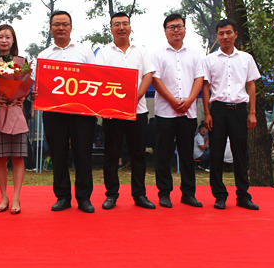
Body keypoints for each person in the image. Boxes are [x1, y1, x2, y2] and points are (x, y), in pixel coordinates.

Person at [35, 10, 97, 213]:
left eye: (65, 24)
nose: (60, 28)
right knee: (58, 154)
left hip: (82, 112)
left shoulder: (85, 52)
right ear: (50, 28)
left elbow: (95, 80)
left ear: (71, 27)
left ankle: (84, 198)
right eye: (56, 24)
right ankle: (62, 196)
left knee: (83, 154)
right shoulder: (44, 55)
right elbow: (38, 84)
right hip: (54, 113)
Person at [96, 12, 156, 210]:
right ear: (111, 29)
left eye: (125, 24)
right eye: (117, 24)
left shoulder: (141, 51)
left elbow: (148, 75)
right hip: (112, 112)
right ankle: (111, 195)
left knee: (138, 154)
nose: (121, 27)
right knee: (111, 155)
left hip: (138, 110)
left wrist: (135, 97)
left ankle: (139, 195)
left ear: (130, 27)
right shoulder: (103, 53)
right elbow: (99, 79)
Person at [201, 18, 261, 210]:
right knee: (216, 154)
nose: (225, 37)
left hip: (239, 110)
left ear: (235, 34)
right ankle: (219, 196)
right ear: (217, 36)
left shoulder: (246, 58)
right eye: (221, 33)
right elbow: (205, 87)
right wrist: (207, 113)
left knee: (241, 154)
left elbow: (251, 85)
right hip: (217, 110)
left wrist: (252, 113)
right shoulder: (209, 60)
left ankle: (243, 196)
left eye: (228, 32)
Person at [150, 13, 205, 208]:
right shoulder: (157, 54)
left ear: (185, 30)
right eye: (171, 27)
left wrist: (190, 100)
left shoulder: (195, 54)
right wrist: (172, 100)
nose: (175, 30)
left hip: (188, 112)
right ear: (165, 31)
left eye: (179, 26)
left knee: (187, 155)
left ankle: (188, 194)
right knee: (163, 155)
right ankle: (164, 193)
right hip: (165, 112)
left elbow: (199, 78)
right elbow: (155, 80)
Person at [0, 24, 28, 214]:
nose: (4, 40)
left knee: (17, 156)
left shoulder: (21, 61)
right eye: (0, 37)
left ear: (13, 40)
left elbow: (26, 85)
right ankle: (3, 196)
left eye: (8, 37)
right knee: (0, 157)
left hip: (16, 109)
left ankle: (16, 197)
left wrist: (23, 95)